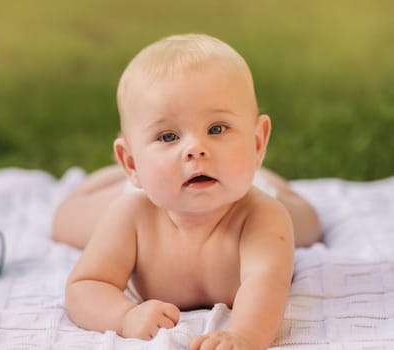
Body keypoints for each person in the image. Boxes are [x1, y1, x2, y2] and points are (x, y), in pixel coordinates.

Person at [53, 33, 322, 350]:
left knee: (309, 224)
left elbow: (267, 284)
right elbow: (86, 285)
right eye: (168, 136)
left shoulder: (262, 216)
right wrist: (125, 316)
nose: (195, 148)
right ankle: (117, 172)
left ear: (258, 141)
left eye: (216, 128)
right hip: (156, 191)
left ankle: (260, 173)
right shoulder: (131, 215)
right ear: (132, 163)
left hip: (242, 186)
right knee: (65, 221)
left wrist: (245, 337)